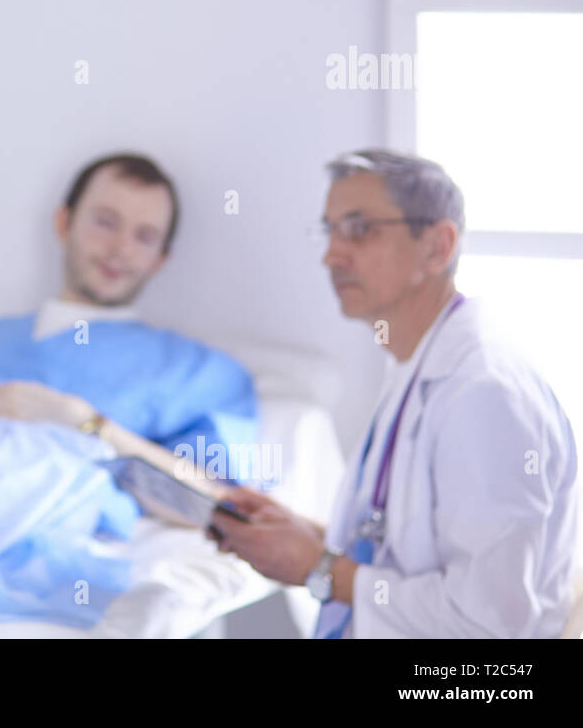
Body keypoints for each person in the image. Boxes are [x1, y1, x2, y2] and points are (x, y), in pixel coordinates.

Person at [209, 149, 578, 638]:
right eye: (331, 230)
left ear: (438, 246)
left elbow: (490, 625)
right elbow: (405, 551)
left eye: (360, 229)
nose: (331, 254)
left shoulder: (485, 394)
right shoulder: (418, 358)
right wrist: (303, 538)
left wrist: (320, 570)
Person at [0, 153, 259, 495]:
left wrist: (82, 423)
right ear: (64, 223)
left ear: (160, 259)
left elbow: (226, 507)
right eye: (105, 223)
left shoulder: (198, 373)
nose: (120, 249)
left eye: (144, 237)